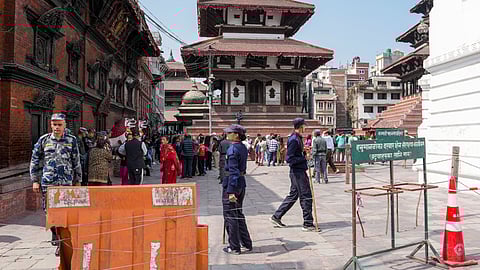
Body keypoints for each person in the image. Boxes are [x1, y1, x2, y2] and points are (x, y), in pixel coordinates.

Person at [30, 113, 82, 260]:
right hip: (49, 183)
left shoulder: (71, 141)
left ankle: (61, 242)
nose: (57, 127)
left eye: (60, 124)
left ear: (64, 125)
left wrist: (78, 180)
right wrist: (35, 180)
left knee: (66, 213)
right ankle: (55, 232)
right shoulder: (44, 140)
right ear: (51, 125)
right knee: (50, 212)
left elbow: (76, 161)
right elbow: (35, 160)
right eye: (54, 124)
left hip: (66, 183)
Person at [270, 118, 317, 232]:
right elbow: (289, 158)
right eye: (304, 126)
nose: (305, 128)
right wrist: (303, 158)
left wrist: (303, 152)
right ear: (300, 127)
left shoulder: (298, 138)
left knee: (293, 195)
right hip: (297, 172)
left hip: (299, 170)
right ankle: (308, 222)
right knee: (306, 196)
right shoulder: (294, 139)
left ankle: (277, 216)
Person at [222, 124, 252, 255]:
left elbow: (233, 172)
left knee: (230, 215)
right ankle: (246, 242)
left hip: (232, 184)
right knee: (238, 214)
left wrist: (231, 191)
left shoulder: (233, 149)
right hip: (241, 183)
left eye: (230, 133)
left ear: (237, 135)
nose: (227, 134)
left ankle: (234, 246)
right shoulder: (243, 147)